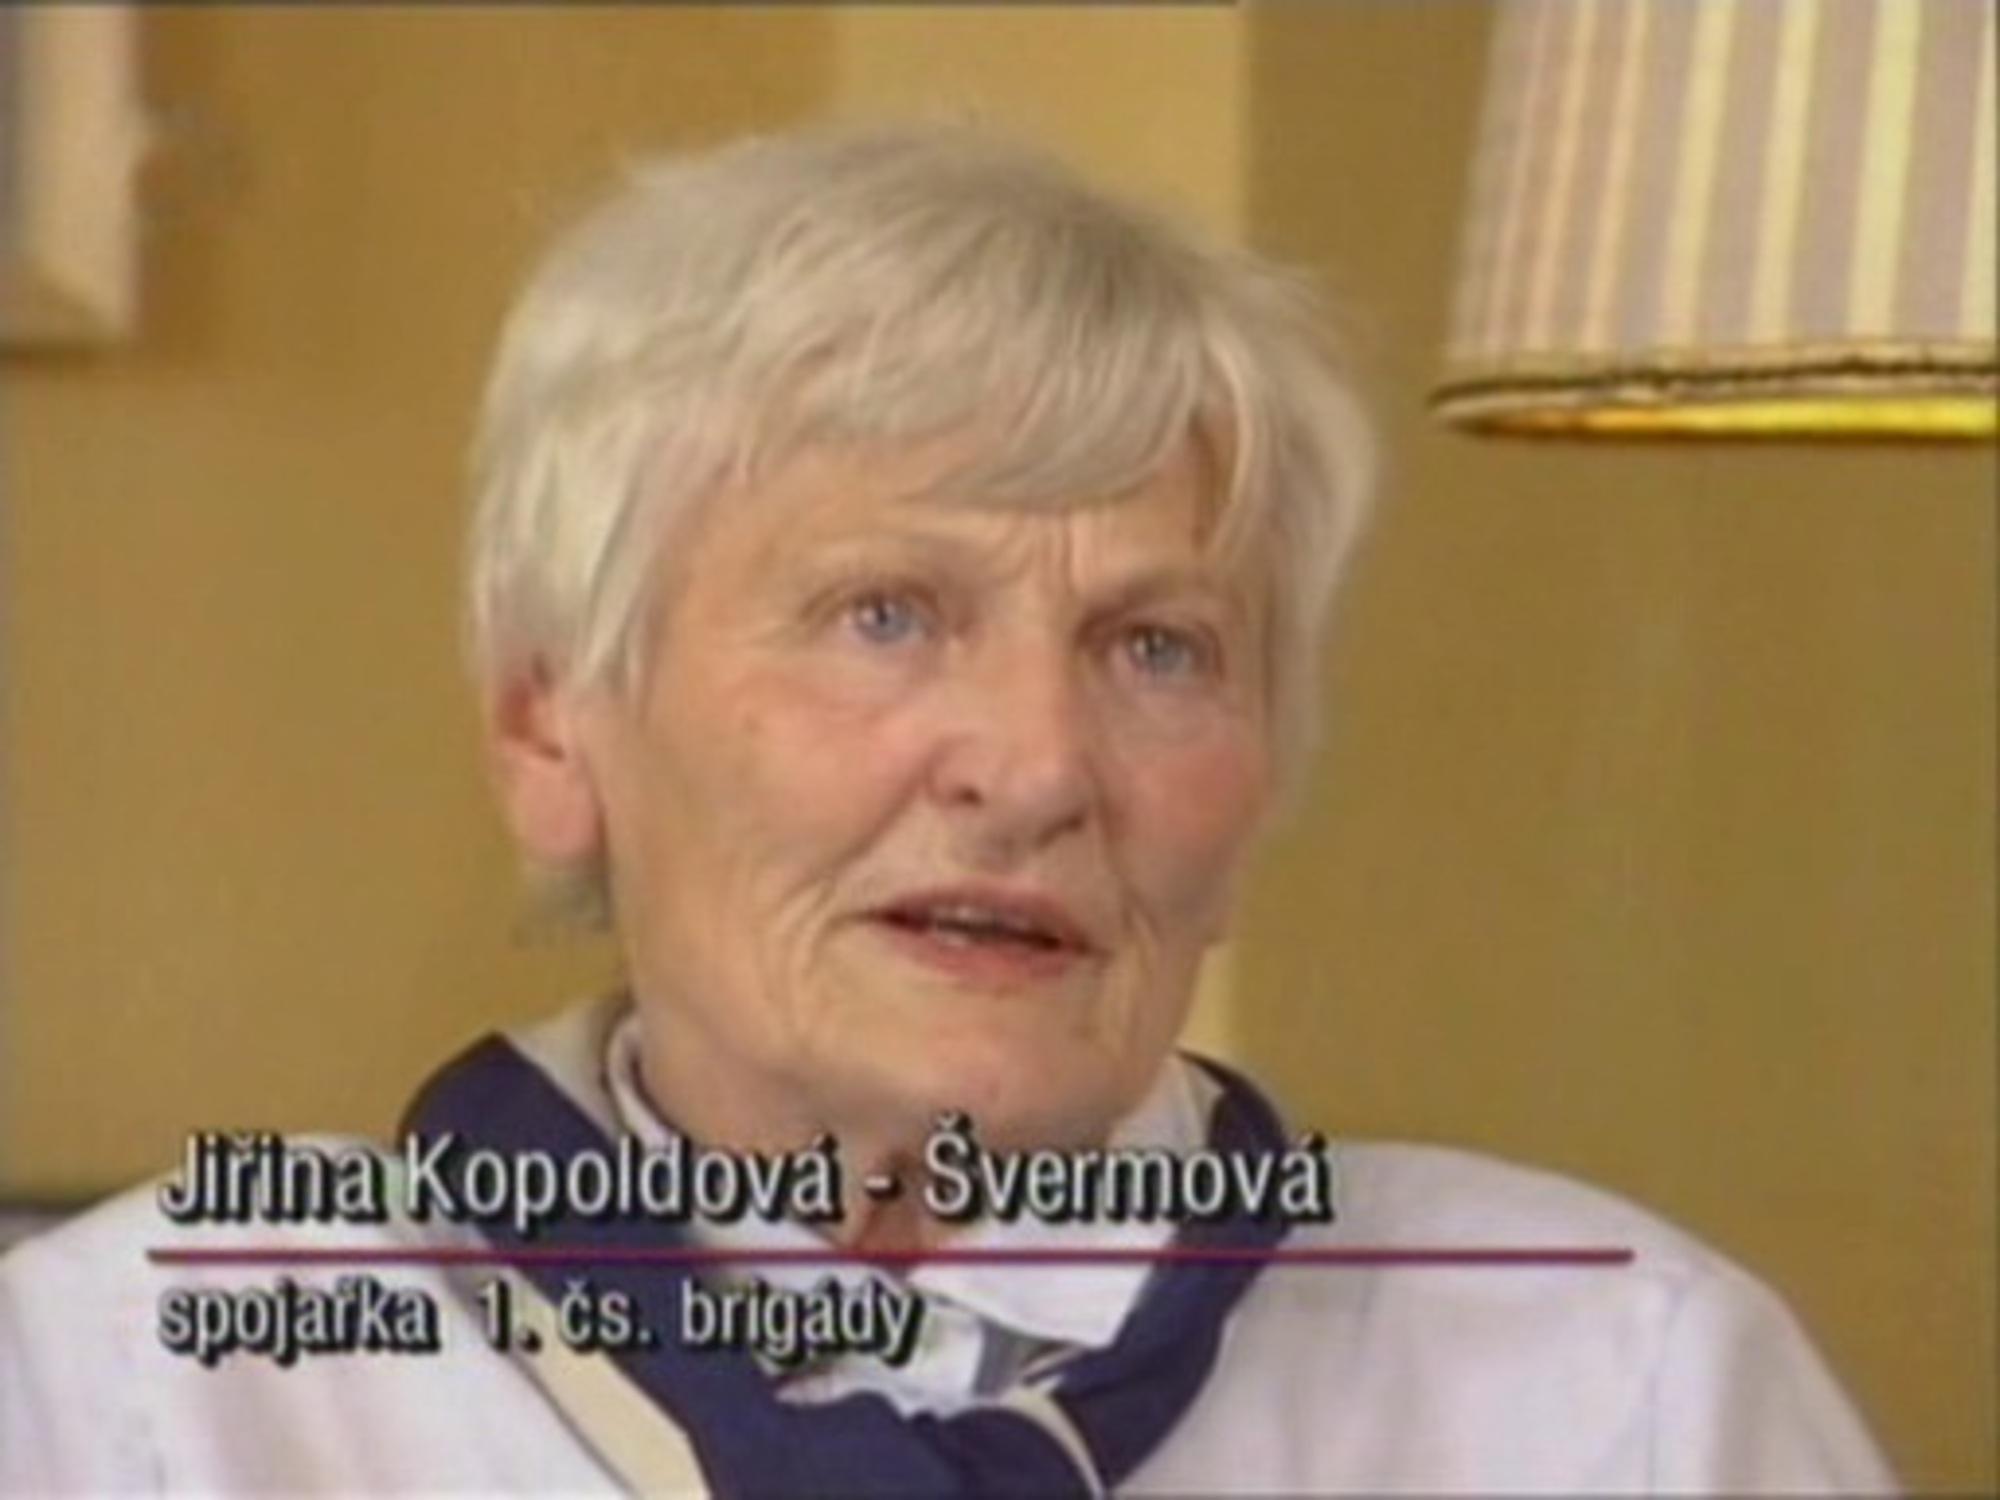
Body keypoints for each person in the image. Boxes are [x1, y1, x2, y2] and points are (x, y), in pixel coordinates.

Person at [0, 122, 1894, 1495]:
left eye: (1157, 647)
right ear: (551, 729)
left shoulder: (1617, 1394)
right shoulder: (145, 1400)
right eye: (885, 615)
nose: (1040, 765)